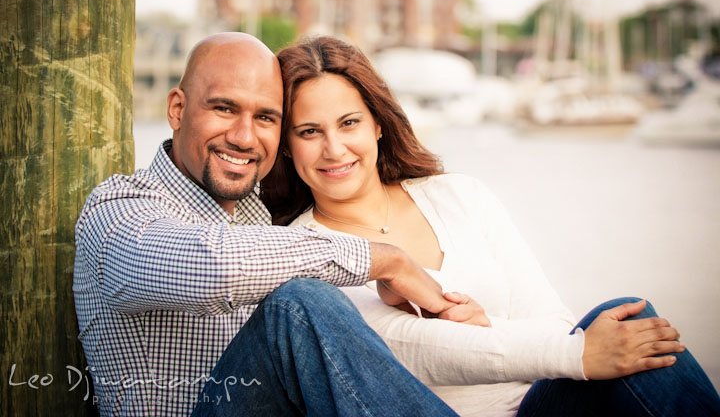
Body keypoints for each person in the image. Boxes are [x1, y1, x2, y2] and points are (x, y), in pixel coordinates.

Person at [261, 35, 720, 416]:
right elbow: (409, 347)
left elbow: (553, 321)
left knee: (630, 319)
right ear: (286, 147)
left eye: (349, 123)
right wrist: (577, 353)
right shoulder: (302, 250)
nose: (335, 149)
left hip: (540, 404)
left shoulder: (459, 195)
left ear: (378, 124)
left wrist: (485, 324)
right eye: (309, 131)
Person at [73, 32, 463, 416]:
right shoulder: (117, 209)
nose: (245, 138)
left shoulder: (265, 214)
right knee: (301, 304)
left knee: (528, 402)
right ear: (177, 109)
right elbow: (214, 266)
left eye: (265, 118)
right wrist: (388, 260)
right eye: (224, 109)